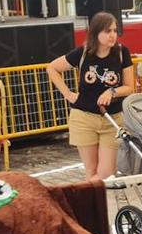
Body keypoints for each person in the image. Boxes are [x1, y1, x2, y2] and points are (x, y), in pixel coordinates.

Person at [47, 11, 134, 181]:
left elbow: (129, 87)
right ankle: (93, 204)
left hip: (112, 119)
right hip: (84, 118)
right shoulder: (83, 53)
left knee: (107, 173)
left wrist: (112, 91)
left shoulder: (122, 52)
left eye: (115, 31)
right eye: (107, 31)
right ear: (96, 32)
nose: (113, 35)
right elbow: (52, 68)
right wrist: (68, 94)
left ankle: (79, 195)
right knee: (91, 170)